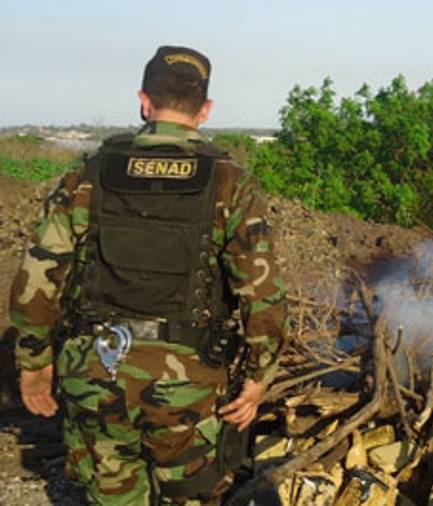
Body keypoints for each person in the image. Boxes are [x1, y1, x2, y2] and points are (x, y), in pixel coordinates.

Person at [10, 45, 288, 505]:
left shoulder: (89, 174)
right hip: (186, 387)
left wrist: (34, 364)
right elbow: (261, 292)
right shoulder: (229, 182)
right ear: (205, 110)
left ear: (143, 100)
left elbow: (38, 276)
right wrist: (259, 377)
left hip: (95, 371)